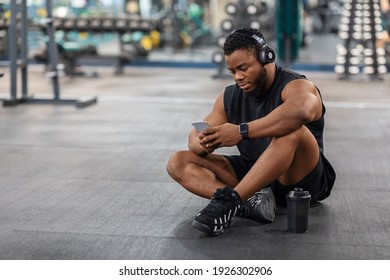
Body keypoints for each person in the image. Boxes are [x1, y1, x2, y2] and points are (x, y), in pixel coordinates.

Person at [166, 27, 336, 236]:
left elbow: (300, 111)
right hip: (255, 176)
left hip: (298, 179)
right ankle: (247, 204)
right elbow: (194, 139)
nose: (237, 77)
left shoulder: (297, 85)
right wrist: (204, 141)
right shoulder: (229, 96)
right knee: (178, 161)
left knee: (293, 131)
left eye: (243, 68)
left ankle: (230, 203)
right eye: (232, 71)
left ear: (266, 58)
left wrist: (241, 132)